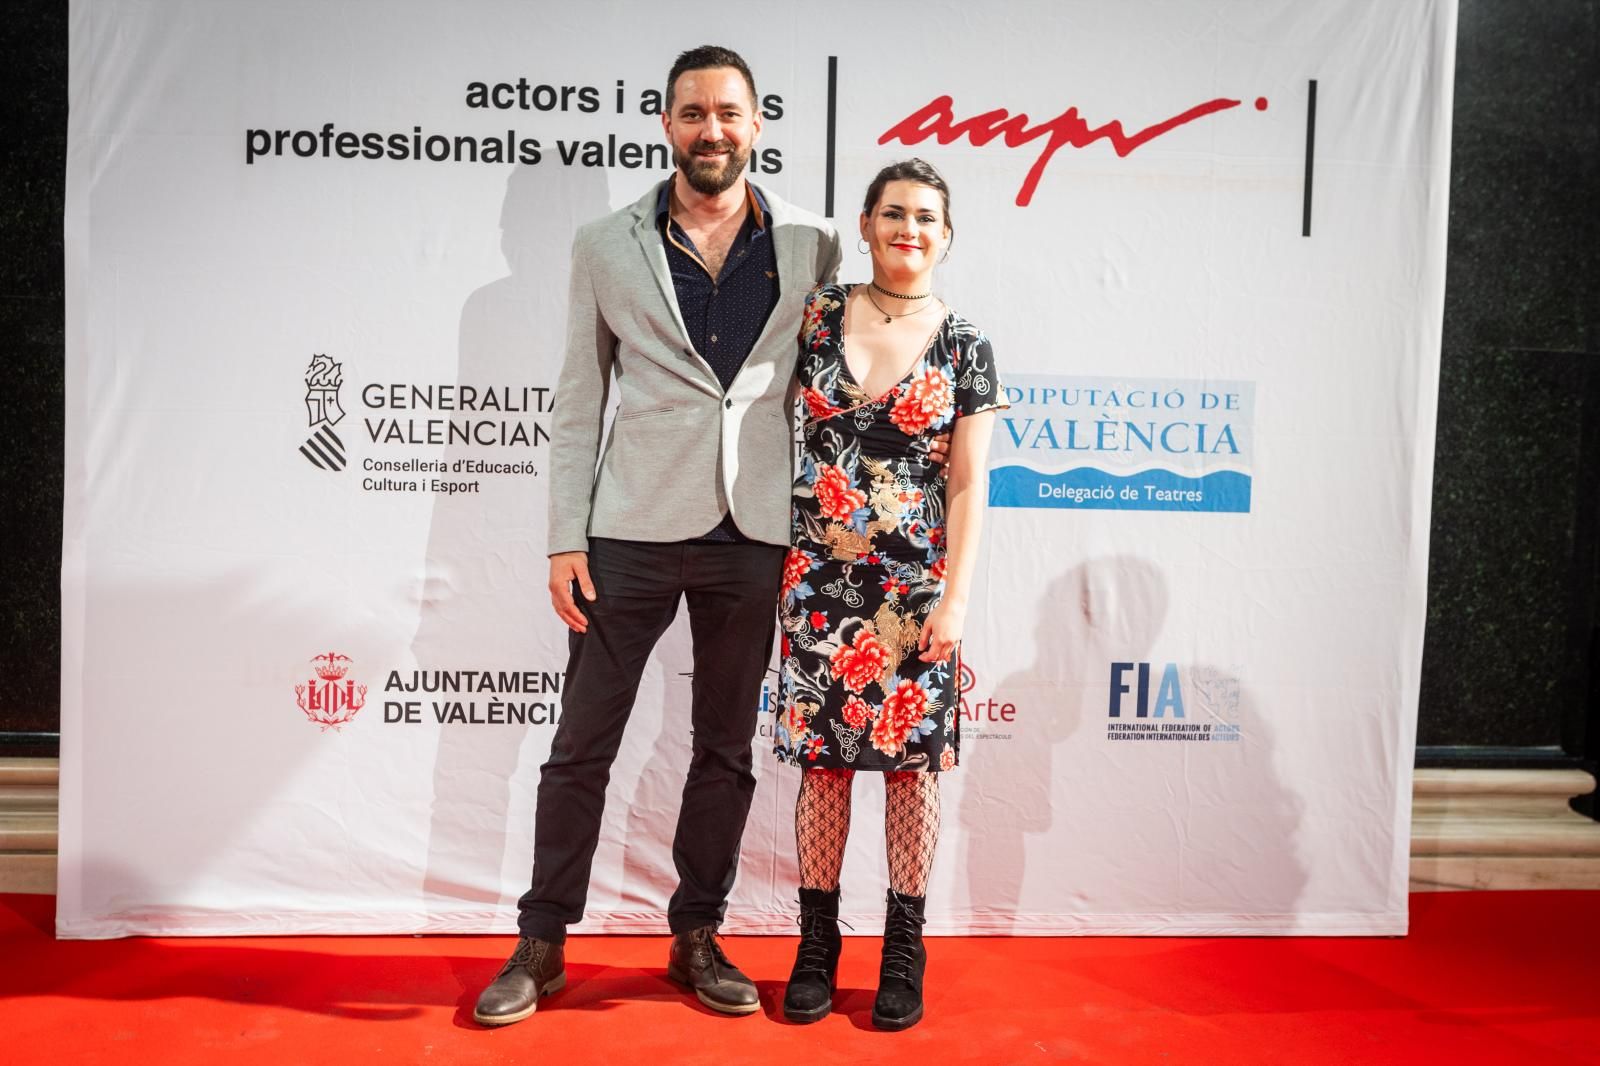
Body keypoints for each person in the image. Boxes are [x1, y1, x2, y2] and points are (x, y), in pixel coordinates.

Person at [472, 44, 842, 1026]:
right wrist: (563, 537)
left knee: (723, 746)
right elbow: (577, 400)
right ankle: (542, 939)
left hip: (753, 533)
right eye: (692, 113)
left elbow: (841, 387)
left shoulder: (814, 246)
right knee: (579, 744)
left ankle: (696, 933)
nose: (710, 130)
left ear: (757, 123)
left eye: (728, 112)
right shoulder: (604, 244)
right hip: (625, 533)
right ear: (666, 124)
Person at [775, 159, 1006, 1031]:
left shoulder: (966, 344)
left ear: (947, 237)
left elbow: (970, 485)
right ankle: (816, 945)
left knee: (910, 772)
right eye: (894, 213)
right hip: (816, 583)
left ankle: (904, 949)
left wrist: (955, 598)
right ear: (865, 225)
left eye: (928, 218)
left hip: (915, 590)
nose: (911, 229)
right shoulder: (819, 315)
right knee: (824, 764)